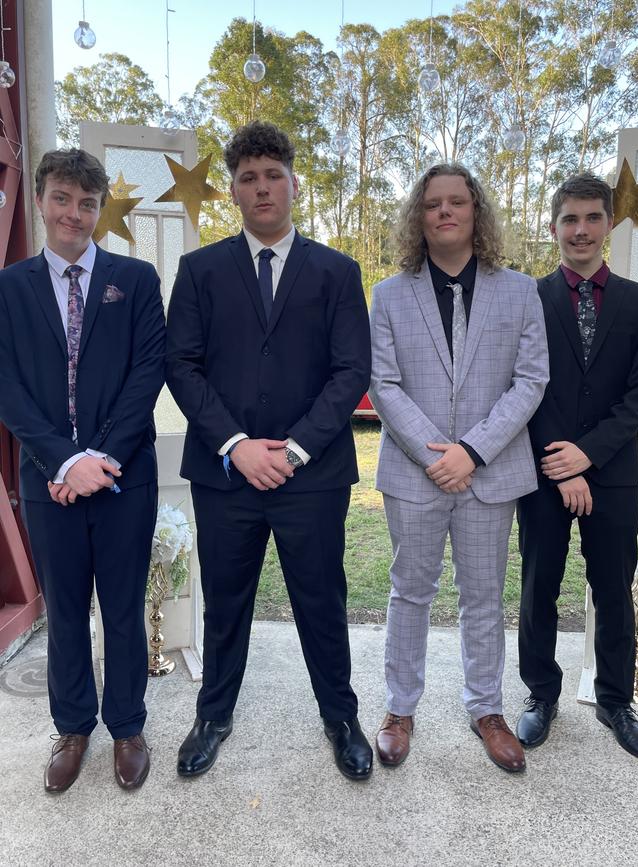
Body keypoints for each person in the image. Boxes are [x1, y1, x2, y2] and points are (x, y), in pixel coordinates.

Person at [165, 121, 373, 780]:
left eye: (272, 175)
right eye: (248, 177)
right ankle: (213, 715)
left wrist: (295, 450)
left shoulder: (338, 271)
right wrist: (236, 444)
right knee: (226, 601)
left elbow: (351, 371)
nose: (262, 187)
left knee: (322, 600)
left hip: (311, 476)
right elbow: (182, 364)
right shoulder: (199, 270)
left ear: (293, 182)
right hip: (226, 475)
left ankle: (341, 716)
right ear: (232, 191)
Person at [368, 163, 548, 773]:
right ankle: (399, 709)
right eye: (432, 204)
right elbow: (384, 385)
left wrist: (471, 451)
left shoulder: (519, 291)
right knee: (409, 591)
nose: (445, 212)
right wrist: (436, 455)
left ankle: (487, 708)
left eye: (457, 202)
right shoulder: (390, 294)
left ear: (476, 211)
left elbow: (530, 382)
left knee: (483, 597)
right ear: (418, 217)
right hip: (414, 475)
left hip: (490, 473)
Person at [0, 149, 166, 791]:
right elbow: (8, 387)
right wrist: (64, 460)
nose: (75, 213)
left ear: (100, 210)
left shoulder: (137, 278)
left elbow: (146, 372)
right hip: (49, 482)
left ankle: (127, 726)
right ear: (41, 200)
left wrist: (100, 458)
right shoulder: (9, 288)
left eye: (88, 203)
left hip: (124, 477)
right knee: (65, 611)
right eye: (63, 198)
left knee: (122, 607)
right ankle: (72, 727)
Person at [516, 173, 638, 760]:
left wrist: (589, 454)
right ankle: (540, 695)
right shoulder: (528, 298)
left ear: (608, 224)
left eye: (592, 217)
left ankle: (616, 699)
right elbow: (524, 387)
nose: (581, 229)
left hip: (614, 473)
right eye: (569, 219)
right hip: (544, 473)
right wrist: (562, 465)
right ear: (554, 228)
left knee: (613, 591)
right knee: (538, 586)